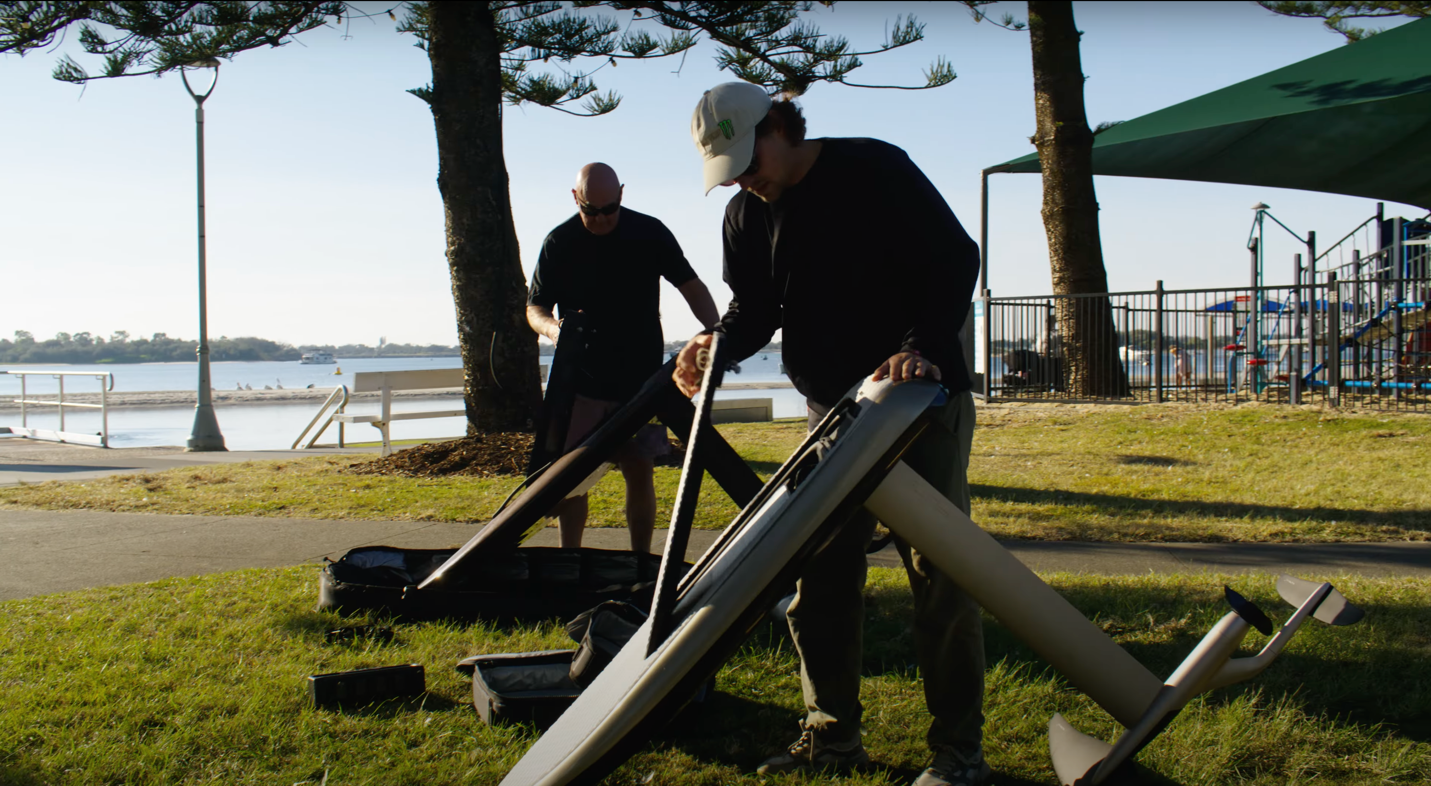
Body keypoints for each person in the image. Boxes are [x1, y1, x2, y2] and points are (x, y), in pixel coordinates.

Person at [674, 83, 987, 786]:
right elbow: (754, 310)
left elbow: (953, 259)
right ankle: (832, 737)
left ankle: (957, 756)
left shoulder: (875, 169)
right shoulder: (743, 216)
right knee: (817, 577)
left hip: (918, 405)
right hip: (831, 416)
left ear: (778, 126)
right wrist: (713, 346)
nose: (743, 178)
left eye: (747, 158)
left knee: (940, 579)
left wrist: (920, 345)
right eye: (727, 169)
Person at [526, 162, 720, 553]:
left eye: (609, 210)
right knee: (572, 478)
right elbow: (535, 308)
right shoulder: (559, 242)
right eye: (590, 211)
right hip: (581, 380)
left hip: (641, 379)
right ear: (575, 198)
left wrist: (718, 333)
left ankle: (641, 562)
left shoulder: (649, 232)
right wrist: (554, 329)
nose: (600, 220)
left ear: (622, 195)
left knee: (639, 469)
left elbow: (691, 285)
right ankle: (570, 560)